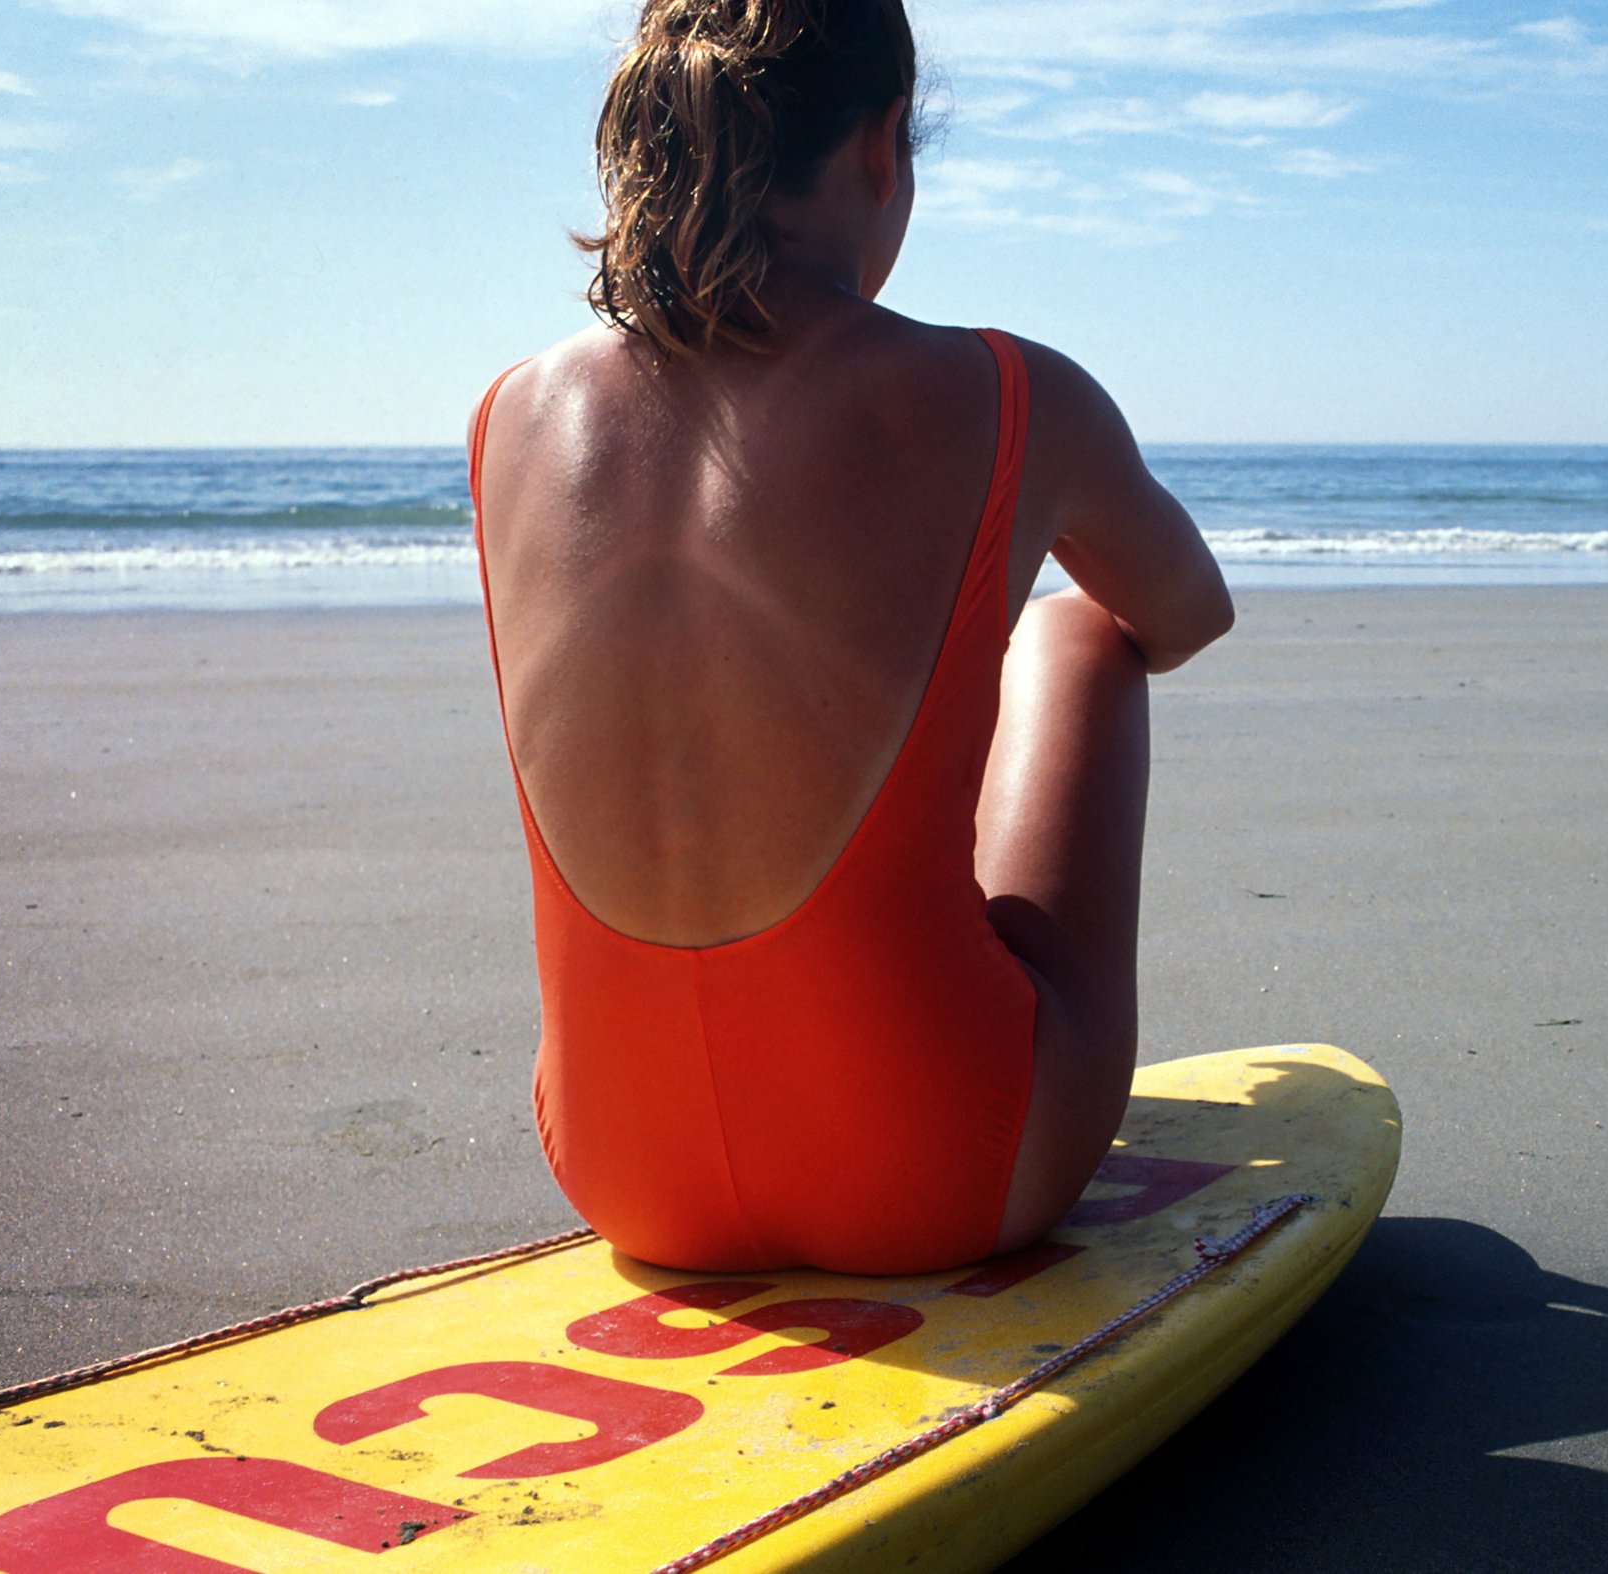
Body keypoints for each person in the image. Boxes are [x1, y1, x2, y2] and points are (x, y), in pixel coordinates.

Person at [468, 0, 1232, 1276]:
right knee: (1076, 634)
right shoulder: (1009, 389)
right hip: (939, 1162)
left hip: (623, 1168)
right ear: (882, 146)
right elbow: (1186, 613)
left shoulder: (510, 411)